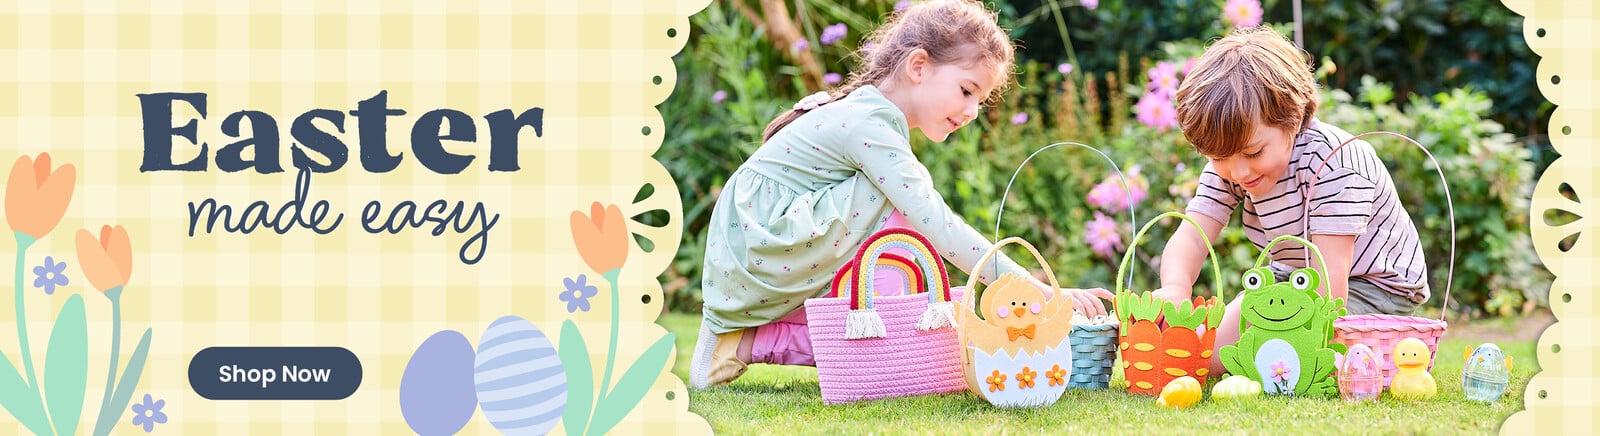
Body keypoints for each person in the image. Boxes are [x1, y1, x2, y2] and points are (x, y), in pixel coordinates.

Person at [689, 0, 1112, 389]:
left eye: (980, 101)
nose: (971, 112)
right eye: (966, 91)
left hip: (769, 247)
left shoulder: (872, 117)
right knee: (908, 206)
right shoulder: (870, 125)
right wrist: (1037, 290)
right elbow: (939, 226)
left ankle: (753, 340)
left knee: (904, 237)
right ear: (918, 66)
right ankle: (749, 343)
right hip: (763, 244)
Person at [1153, 27, 1431, 374]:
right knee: (1209, 352)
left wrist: (1287, 329)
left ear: (1293, 119)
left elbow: (1331, 284)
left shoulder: (1333, 162)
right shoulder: (1231, 164)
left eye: (1254, 152)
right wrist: (1175, 287)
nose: (1238, 171)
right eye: (1219, 158)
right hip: (1292, 278)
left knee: (1252, 351)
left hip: (1372, 287)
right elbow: (1193, 236)